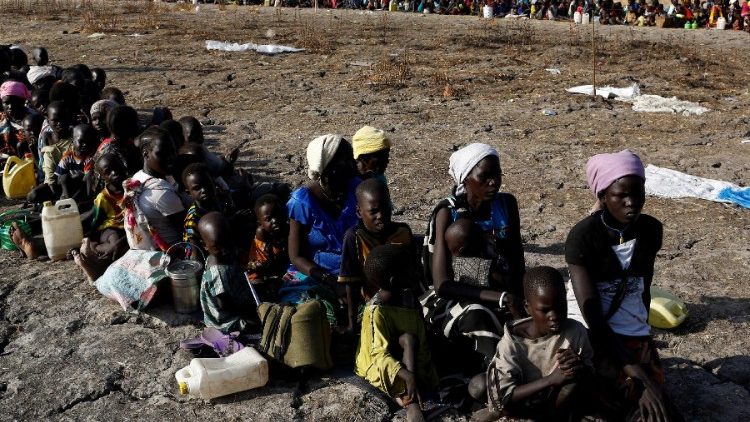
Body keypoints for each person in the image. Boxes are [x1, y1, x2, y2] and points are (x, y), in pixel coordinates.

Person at [566, 150, 678, 422]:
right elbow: (593, 317)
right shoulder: (583, 237)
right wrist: (639, 374)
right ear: (602, 196)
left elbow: (643, 290)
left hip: (630, 330)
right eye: (620, 195)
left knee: (660, 411)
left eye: (638, 193)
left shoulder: (651, 230)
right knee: (611, 398)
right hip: (590, 331)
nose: (632, 203)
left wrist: (643, 343)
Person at [421, 143, 525, 400]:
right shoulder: (447, 213)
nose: (493, 183)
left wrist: (519, 299)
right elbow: (442, 284)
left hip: (501, 290)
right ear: (466, 179)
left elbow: (517, 261)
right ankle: (498, 384)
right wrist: (500, 298)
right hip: (455, 297)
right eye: (484, 177)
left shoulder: (506, 205)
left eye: (497, 175)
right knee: (479, 317)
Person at [483, 266, 593, 421]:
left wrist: (577, 365)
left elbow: (590, 373)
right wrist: (551, 379)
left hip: (553, 401)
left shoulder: (575, 331)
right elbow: (503, 400)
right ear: (527, 307)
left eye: (560, 306)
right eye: (545, 310)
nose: (554, 316)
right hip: (522, 405)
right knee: (479, 386)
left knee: (572, 387)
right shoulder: (512, 343)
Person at [355, 244, 439, 422]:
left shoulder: (409, 299)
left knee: (409, 339)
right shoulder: (376, 310)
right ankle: (410, 401)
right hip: (379, 362)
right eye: (410, 270)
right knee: (405, 348)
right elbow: (377, 354)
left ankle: (411, 392)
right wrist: (407, 375)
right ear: (394, 281)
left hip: (405, 352)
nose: (416, 273)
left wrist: (421, 372)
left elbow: (420, 340)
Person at [282, 134, 359, 325]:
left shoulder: (357, 190)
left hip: (354, 272)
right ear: (328, 169)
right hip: (315, 274)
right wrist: (331, 282)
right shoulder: (302, 202)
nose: (353, 165)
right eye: (346, 160)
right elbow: (296, 257)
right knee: (312, 314)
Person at [338, 178, 415, 332]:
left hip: (405, 300)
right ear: (359, 212)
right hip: (372, 304)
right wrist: (352, 325)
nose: (380, 216)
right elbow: (351, 284)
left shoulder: (403, 232)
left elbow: (414, 271)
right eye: (373, 212)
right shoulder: (354, 237)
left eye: (385, 208)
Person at [72, 152, 129, 282]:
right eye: (108, 172)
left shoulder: (132, 186)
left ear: (123, 165)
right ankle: (94, 247)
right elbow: (96, 219)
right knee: (115, 243)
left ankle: (95, 261)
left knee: (124, 246)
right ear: (102, 176)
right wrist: (91, 236)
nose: (115, 173)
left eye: (117, 167)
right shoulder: (103, 197)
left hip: (129, 227)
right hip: (112, 228)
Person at [199, 211, 257, 334]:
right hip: (224, 320)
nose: (225, 250)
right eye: (217, 247)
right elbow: (225, 305)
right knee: (257, 322)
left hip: (234, 299)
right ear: (205, 245)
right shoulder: (218, 273)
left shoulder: (220, 256)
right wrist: (249, 309)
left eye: (227, 243)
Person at [28, 101, 74, 204]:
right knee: (32, 195)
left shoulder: (74, 135)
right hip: (52, 182)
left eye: (63, 119)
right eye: (55, 120)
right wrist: (33, 150)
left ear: (69, 118)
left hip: (71, 180)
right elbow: (45, 165)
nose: (60, 123)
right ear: (48, 121)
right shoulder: (46, 136)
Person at [182, 162, 222, 259]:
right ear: (189, 193)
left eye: (207, 184)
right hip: (206, 257)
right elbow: (195, 254)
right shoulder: (193, 220)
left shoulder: (217, 199)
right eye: (197, 188)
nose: (204, 190)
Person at [246, 193, 289, 283]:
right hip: (263, 267)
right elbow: (262, 261)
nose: (275, 220)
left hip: (283, 266)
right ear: (260, 222)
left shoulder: (288, 227)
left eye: (278, 215)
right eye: (268, 219)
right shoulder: (262, 233)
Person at [0, 80, 33, 158]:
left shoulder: (32, 119)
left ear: (22, 101)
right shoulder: (2, 118)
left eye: (14, 102)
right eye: (6, 103)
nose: (10, 107)